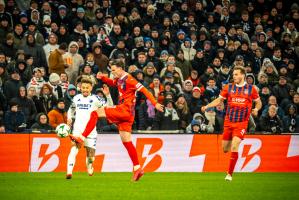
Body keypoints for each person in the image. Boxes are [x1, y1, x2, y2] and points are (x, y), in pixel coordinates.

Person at [70, 59, 164, 181]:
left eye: (114, 70)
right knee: (126, 141)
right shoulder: (120, 79)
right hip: (129, 115)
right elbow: (113, 83)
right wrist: (103, 78)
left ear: (120, 68)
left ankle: (81, 138)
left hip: (124, 110)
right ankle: (137, 168)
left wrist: (155, 103)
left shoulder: (130, 79)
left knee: (95, 113)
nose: (112, 72)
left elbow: (144, 90)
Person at [201, 66, 262, 181]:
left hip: (242, 123)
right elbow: (219, 100)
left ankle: (229, 174)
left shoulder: (251, 89)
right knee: (225, 148)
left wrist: (256, 109)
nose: (234, 76)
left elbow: (258, 103)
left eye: (236, 74)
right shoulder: (228, 87)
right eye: (233, 74)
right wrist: (207, 106)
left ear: (243, 75)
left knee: (235, 145)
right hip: (229, 122)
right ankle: (232, 157)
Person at [66, 78, 106, 179]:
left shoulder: (96, 99)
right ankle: (69, 172)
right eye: (83, 87)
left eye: (87, 88)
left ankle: (89, 166)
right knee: (73, 149)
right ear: (80, 88)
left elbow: (108, 106)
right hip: (78, 130)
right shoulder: (76, 98)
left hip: (91, 131)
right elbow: (70, 110)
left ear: (91, 88)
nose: (85, 89)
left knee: (90, 155)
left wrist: (107, 95)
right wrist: (69, 118)